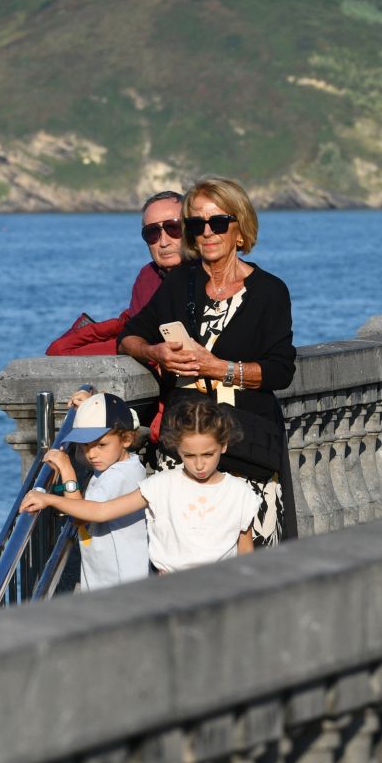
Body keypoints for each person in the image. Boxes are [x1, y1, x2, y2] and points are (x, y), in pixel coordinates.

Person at [123, 177, 298, 545]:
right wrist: (154, 352)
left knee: (251, 569)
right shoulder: (178, 283)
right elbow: (130, 336)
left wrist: (217, 367)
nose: (207, 232)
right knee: (184, 559)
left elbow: (281, 370)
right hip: (184, 454)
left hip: (246, 449)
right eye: (196, 224)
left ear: (239, 230)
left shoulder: (269, 292)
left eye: (218, 222)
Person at [21, 400, 255, 573]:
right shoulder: (161, 485)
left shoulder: (241, 493)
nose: (200, 464)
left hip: (223, 593)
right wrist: (50, 500)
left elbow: (246, 552)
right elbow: (102, 511)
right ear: (177, 450)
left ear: (223, 446)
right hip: (171, 594)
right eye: (189, 455)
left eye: (208, 454)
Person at [47, 191, 186, 355]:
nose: (163, 242)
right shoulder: (148, 277)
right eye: (152, 233)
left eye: (174, 228)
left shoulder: (211, 277)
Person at [36, 392, 150, 591]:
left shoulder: (118, 476)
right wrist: (89, 409)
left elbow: (80, 516)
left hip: (118, 581)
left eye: (101, 445)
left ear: (127, 438)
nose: (92, 454)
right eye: (85, 445)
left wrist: (66, 471)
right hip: (117, 574)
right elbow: (93, 455)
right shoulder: (128, 464)